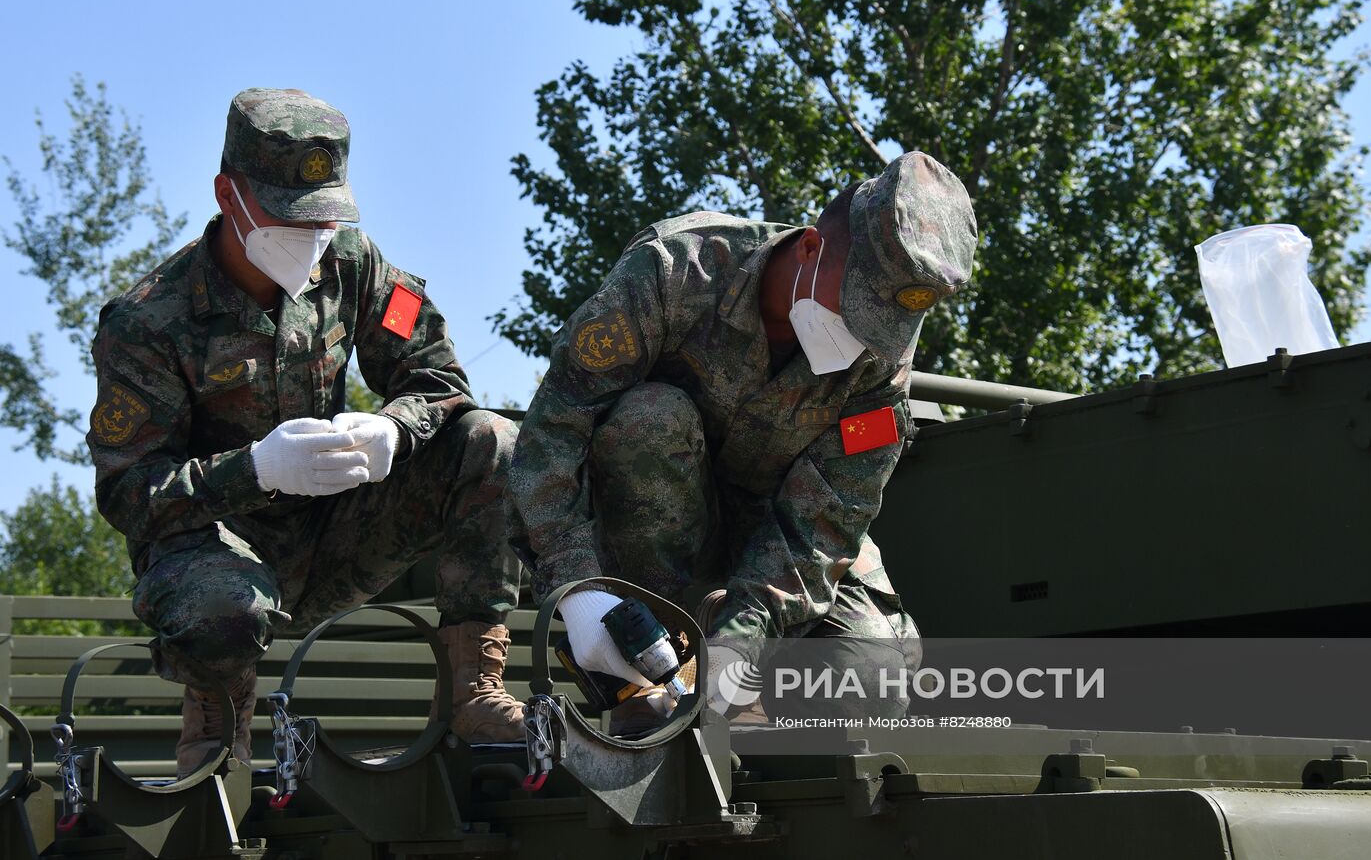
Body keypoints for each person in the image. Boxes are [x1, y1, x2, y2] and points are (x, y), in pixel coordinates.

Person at [87, 88, 524, 775]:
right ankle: (215, 737)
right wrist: (255, 468)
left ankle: (475, 691)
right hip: (217, 557)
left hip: (338, 535)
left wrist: (392, 429)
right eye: (288, 219)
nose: (309, 237)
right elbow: (128, 493)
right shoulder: (147, 322)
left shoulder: (355, 264)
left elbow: (439, 378)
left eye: (323, 218)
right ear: (228, 195)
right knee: (222, 602)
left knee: (491, 440)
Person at [508, 151, 977, 728]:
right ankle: (648, 676)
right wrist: (578, 589)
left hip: (775, 540)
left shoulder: (881, 366)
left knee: (873, 688)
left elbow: (826, 521)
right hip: (651, 523)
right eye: (854, 309)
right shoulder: (677, 271)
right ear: (809, 248)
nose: (860, 339)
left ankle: (726, 690)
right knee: (649, 418)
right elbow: (555, 428)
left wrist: (742, 635)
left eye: (880, 325)